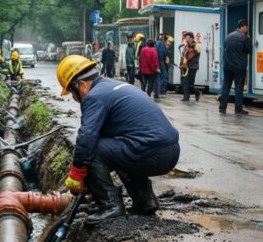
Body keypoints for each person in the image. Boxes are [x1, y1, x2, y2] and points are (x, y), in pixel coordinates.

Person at [57, 55, 180, 222]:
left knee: (91, 152)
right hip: (170, 151)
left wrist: (77, 172)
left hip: (152, 152)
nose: (74, 98)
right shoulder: (113, 86)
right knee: (119, 148)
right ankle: (144, 200)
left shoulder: (94, 96)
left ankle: (111, 206)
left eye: (72, 93)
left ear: (81, 85)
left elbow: (86, 138)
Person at [220, 19, 251, 114]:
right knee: (238, 88)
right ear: (243, 27)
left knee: (226, 86)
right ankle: (238, 109)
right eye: (247, 27)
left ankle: (222, 107)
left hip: (227, 66)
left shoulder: (228, 36)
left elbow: (225, 48)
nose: (247, 29)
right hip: (239, 67)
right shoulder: (244, 38)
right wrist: (248, 39)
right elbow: (249, 50)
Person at [179, 31, 202, 102]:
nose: (186, 39)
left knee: (190, 84)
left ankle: (197, 93)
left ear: (192, 38)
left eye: (188, 37)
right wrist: (181, 64)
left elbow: (190, 56)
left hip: (192, 67)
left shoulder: (196, 46)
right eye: (185, 37)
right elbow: (183, 56)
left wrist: (185, 61)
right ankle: (186, 97)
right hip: (185, 67)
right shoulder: (186, 46)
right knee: (184, 82)